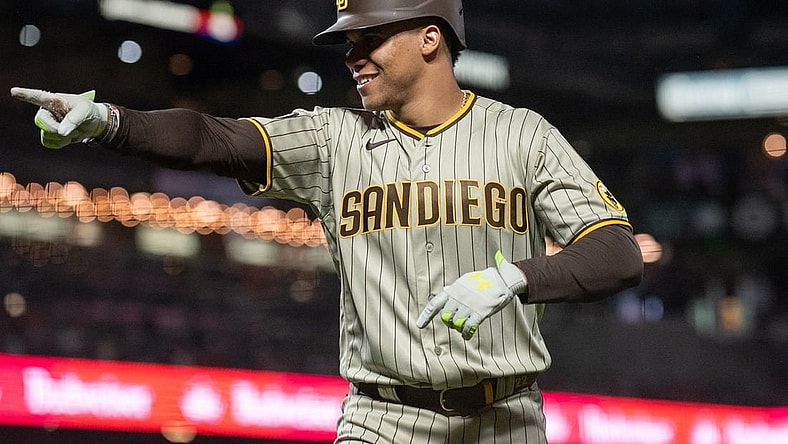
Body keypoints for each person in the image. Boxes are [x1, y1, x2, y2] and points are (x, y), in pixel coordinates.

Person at [12, 0, 643, 442]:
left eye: (370, 38)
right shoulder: (332, 140)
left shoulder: (522, 135)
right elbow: (215, 140)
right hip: (380, 422)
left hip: (506, 423)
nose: (353, 56)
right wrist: (112, 124)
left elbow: (617, 254)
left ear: (430, 37)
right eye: (348, 42)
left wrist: (514, 279)